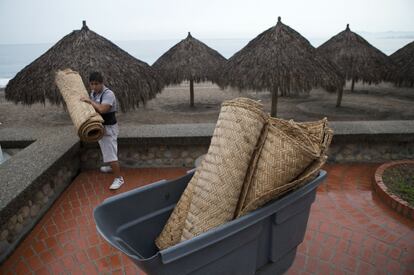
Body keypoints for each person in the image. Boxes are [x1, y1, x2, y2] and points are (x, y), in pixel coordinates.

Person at [80, 72, 124, 190]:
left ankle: (119, 179)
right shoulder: (93, 93)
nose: (94, 87)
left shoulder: (108, 94)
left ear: (101, 83)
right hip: (101, 128)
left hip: (109, 128)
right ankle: (111, 167)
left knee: (111, 153)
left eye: (96, 84)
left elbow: (102, 109)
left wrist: (90, 101)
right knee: (108, 151)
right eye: (91, 84)